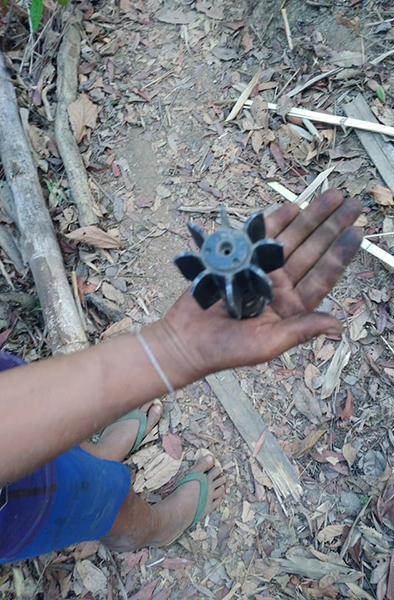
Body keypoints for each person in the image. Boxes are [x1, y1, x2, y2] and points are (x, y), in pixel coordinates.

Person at [0, 189, 362, 563]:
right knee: (99, 497)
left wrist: (165, 350)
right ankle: (153, 527)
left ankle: (100, 452)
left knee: (62, 453)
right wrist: (167, 352)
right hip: (14, 503)